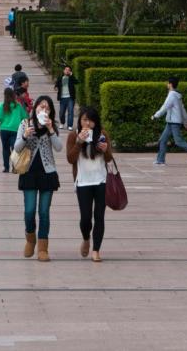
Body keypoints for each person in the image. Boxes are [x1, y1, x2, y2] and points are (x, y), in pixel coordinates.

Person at [14, 96, 63, 261]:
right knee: (29, 211)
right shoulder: (25, 124)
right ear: (35, 109)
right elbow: (17, 148)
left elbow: (58, 147)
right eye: (41, 107)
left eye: (47, 108)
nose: (44, 111)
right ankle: (30, 238)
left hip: (47, 174)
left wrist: (50, 130)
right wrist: (25, 136)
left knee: (44, 212)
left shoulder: (52, 127)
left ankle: (43, 248)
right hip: (28, 173)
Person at [67, 106, 113, 262]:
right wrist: (79, 142)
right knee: (85, 218)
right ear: (80, 121)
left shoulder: (102, 135)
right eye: (84, 120)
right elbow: (70, 159)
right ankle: (86, 238)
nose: (87, 123)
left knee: (99, 216)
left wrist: (106, 150)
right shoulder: (73, 135)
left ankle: (96, 250)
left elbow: (108, 159)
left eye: (91, 120)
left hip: (101, 180)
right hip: (83, 181)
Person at [152, 77, 187, 166]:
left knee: (179, 141)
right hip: (171, 122)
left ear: (170, 84)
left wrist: (156, 115)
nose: (167, 84)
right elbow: (183, 110)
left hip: (174, 123)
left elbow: (165, 107)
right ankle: (160, 160)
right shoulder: (177, 95)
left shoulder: (172, 95)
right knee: (163, 140)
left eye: (168, 83)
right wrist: (185, 122)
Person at [0, 87, 28, 172]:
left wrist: (5, 120)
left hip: (4, 130)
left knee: (5, 148)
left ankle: (6, 167)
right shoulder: (18, 105)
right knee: (15, 148)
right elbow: (24, 117)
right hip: (15, 130)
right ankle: (15, 167)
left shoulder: (2, 105)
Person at [56, 66, 77, 131]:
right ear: (63, 71)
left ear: (70, 71)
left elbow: (77, 82)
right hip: (62, 97)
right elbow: (56, 85)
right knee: (61, 112)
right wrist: (56, 87)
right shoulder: (60, 78)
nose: (67, 71)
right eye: (66, 69)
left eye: (69, 70)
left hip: (70, 97)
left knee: (70, 111)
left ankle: (70, 125)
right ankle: (62, 123)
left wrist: (72, 75)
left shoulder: (71, 78)